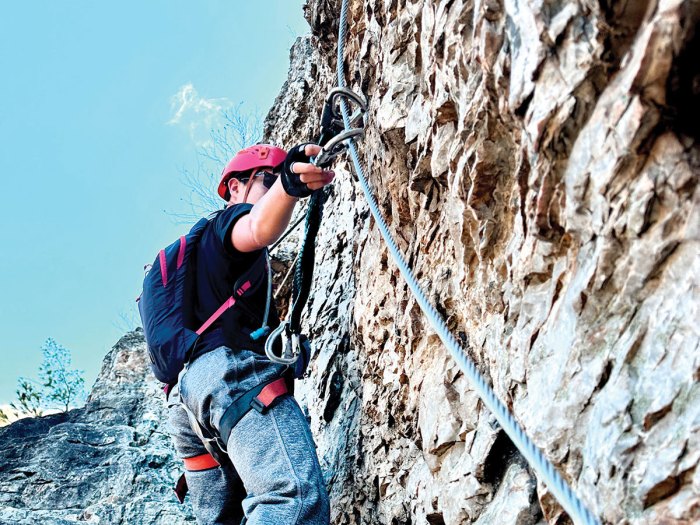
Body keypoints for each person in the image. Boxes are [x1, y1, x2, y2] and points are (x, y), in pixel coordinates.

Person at [166, 143, 334, 524]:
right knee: (290, 499)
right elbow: (257, 226)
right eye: (267, 179)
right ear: (236, 188)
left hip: (188, 406)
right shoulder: (227, 223)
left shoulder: (196, 258)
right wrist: (289, 183)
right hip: (231, 382)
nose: (273, 186)